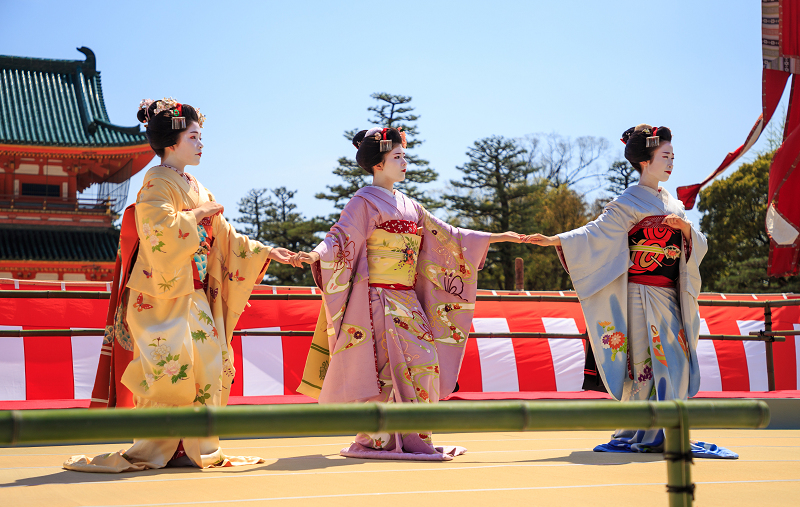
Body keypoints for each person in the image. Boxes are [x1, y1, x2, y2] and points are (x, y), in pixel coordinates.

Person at [64, 98, 295, 472]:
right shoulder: (156, 180)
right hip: (162, 294)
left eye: (201, 136)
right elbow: (156, 229)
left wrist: (267, 250)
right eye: (193, 136)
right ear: (172, 142)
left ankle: (195, 445)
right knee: (169, 366)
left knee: (209, 364)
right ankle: (157, 447)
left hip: (195, 292)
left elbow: (226, 237)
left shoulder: (196, 185)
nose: (201, 143)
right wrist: (198, 215)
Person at [293, 127, 532, 460]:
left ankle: (416, 433)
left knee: (424, 361)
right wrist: (316, 254)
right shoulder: (363, 201)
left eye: (404, 156)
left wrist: (492, 237)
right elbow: (340, 238)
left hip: (407, 298)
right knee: (384, 368)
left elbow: (449, 236)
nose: (405, 162)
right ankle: (378, 437)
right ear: (378, 165)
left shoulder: (411, 205)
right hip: (377, 299)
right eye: (397, 157)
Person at [530, 124, 736, 459]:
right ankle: (640, 429)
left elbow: (699, 246)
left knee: (677, 362)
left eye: (673, 157)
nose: (671, 163)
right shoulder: (626, 203)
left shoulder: (674, 204)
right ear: (644, 161)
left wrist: (685, 229)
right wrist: (556, 240)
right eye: (664, 156)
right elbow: (592, 235)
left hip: (670, 294)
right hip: (639, 294)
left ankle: (669, 428)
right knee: (642, 365)